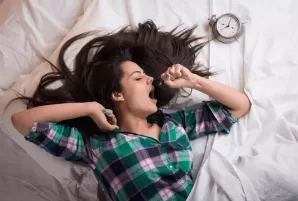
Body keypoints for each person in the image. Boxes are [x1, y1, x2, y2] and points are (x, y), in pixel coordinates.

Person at [11, 21, 251, 201]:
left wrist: (194, 82)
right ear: (117, 94)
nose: (150, 80)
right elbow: (22, 121)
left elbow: (240, 105)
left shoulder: (174, 125)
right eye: (138, 77)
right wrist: (90, 108)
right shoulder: (97, 146)